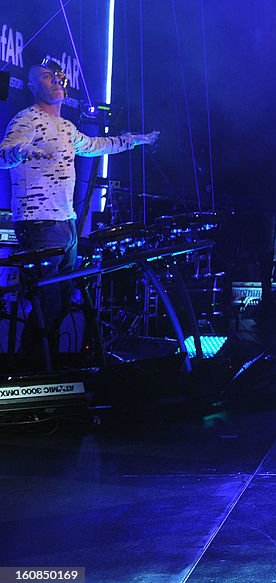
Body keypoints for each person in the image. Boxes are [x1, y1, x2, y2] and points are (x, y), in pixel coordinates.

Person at [0, 60, 158, 365]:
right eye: (47, 77)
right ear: (33, 86)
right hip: (40, 222)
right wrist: (20, 151)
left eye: (58, 77)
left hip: (66, 223)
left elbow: (96, 145)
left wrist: (134, 140)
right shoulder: (27, 120)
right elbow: (3, 155)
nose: (56, 81)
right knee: (46, 302)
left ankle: (49, 370)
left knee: (59, 303)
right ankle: (30, 371)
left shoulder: (67, 127)